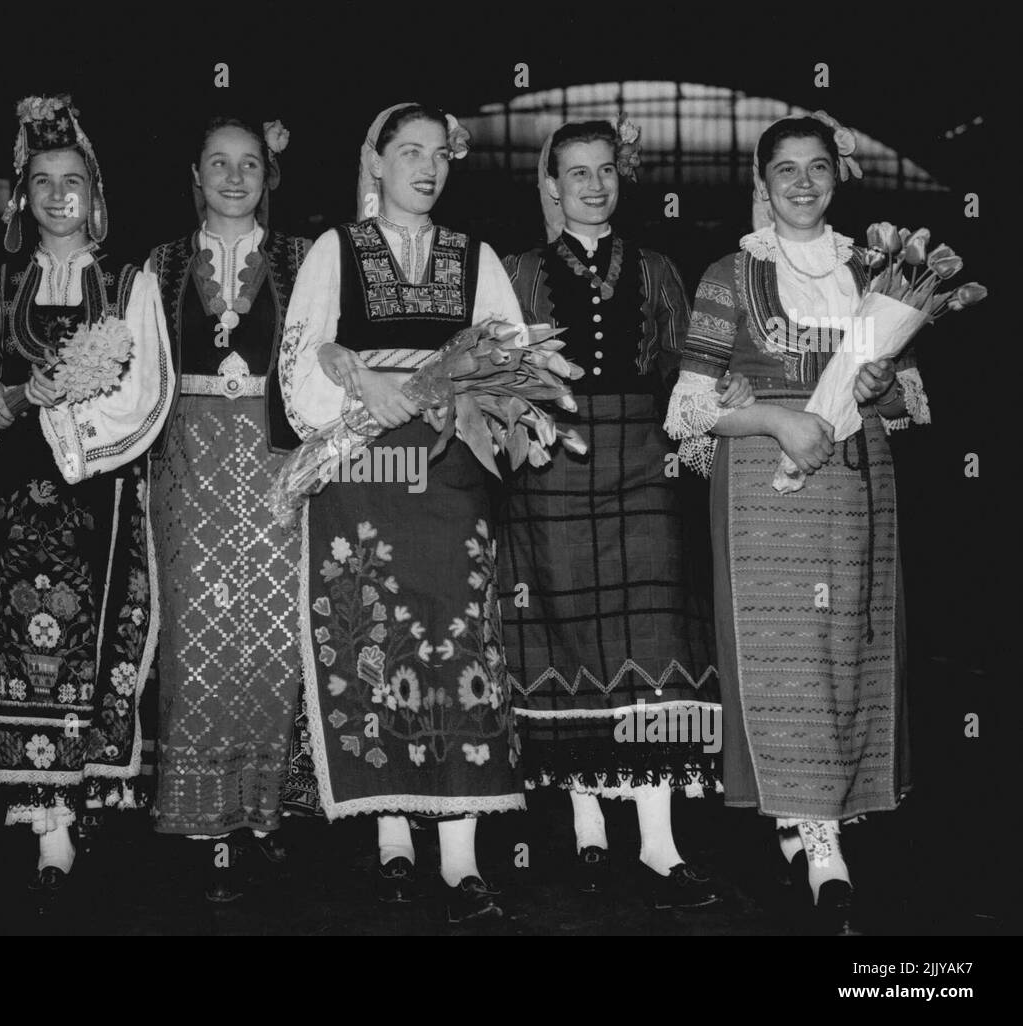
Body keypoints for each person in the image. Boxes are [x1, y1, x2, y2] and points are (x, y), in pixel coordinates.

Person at [664, 112, 925, 934]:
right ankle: (819, 844)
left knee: (848, 649)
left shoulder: (873, 276)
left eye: (818, 169)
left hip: (856, 488)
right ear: (762, 181)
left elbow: (906, 405)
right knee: (792, 658)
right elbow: (689, 410)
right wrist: (779, 420)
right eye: (787, 170)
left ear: (836, 179)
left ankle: (819, 818)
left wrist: (880, 382)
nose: (804, 184)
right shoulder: (726, 276)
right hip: (765, 494)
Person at [280, 103, 527, 922]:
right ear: (375, 163)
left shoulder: (474, 255)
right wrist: (362, 390)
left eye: (438, 155)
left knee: (458, 636)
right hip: (364, 467)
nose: (426, 167)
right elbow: (299, 356)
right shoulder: (334, 250)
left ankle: (461, 857)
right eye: (408, 152)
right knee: (375, 631)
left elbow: (515, 361)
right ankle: (390, 837)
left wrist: (467, 392)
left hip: (452, 468)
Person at [500, 119, 751, 909]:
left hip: (648, 464)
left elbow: (689, 373)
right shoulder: (515, 273)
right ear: (550, 184)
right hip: (555, 465)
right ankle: (586, 831)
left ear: (621, 178)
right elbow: (501, 381)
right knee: (568, 638)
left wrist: (736, 392)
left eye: (605, 171)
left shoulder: (659, 269)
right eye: (575, 173)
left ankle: (658, 842)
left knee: (657, 640)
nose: (593, 185)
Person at [0, 95, 172, 906]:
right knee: (19, 648)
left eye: (73, 181)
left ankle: (79, 807)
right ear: (22, 197)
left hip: (98, 490)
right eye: (42, 181)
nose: (58, 196)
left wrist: (73, 432)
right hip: (11, 497)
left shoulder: (131, 281)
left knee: (88, 650)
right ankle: (46, 822)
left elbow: (149, 393)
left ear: (97, 195)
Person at [146, 115, 317, 902]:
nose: (236, 177)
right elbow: (144, 373)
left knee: (276, 630)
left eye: (250, 163)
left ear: (267, 174)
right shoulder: (160, 263)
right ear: (196, 173)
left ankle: (264, 815)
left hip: (276, 453)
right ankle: (197, 820)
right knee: (197, 632)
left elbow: (320, 362)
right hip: (189, 460)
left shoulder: (302, 258)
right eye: (220, 162)